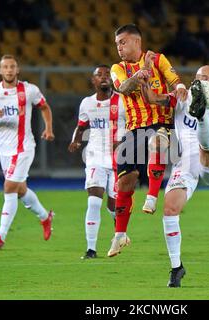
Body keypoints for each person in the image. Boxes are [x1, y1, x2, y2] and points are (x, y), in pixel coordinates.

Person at [140, 65, 209, 287]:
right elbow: (152, 98)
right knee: (170, 209)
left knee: (206, 147)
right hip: (186, 164)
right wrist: (143, 78)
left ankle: (201, 119)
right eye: (204, 78)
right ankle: (176, 268)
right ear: (195, 81)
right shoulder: (181, 97)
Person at [108, 24, 188, 257]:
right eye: (117, 45)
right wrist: (139, 73)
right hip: (134, 129)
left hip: (161, 123)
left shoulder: (158, 59)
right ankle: (120, 235)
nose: (119, 48)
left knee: (158, 142)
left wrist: (181, 88)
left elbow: (175, 80)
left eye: (123, 42)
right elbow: (123, 88)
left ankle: (152, 196)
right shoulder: (118, 67)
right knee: (125, 183)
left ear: (136, 41)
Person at [0, 55, 55, 249]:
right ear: (0, 71)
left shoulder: (29, 90)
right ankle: (46, 217)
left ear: (17, 69)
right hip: (4, 150)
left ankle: (0, 236)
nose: (9, 70)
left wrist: (48, 128)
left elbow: (44, 107)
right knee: (20, 190)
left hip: (24, 148)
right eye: (6, 67)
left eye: (12, 67)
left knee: (9, 187)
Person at [68, 65, 126, 259]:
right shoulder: (86, 103)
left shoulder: (122, 101)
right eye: (99, 74)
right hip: (95, 158)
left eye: (107, 74)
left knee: (113, 205)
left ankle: (121, 233)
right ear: (93, 81)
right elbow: (82, 125)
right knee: (94, 201)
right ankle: (91, 249)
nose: (104, 77)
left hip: (118, 161)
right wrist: (76, 140)